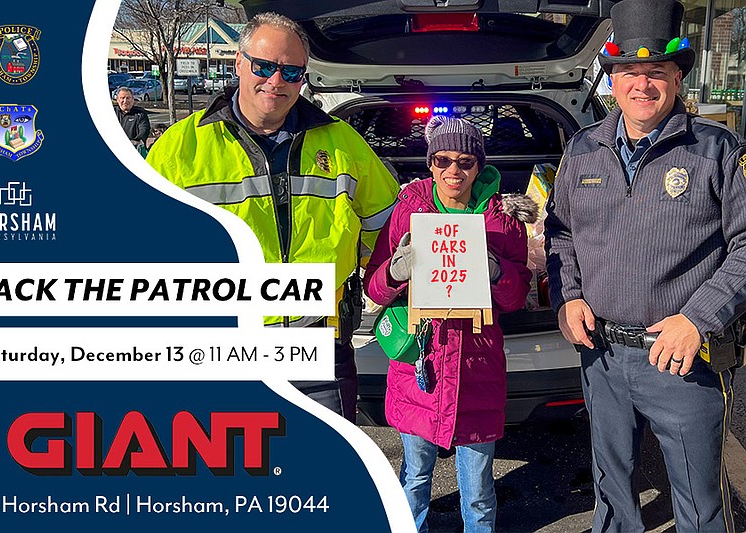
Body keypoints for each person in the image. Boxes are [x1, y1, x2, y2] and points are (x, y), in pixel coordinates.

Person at [544, 0, 746, 531]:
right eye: (628, 71)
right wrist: (568, 296)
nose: (642, 84)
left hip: (682, 359)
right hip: (602, 356)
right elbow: (560, 232)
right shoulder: (582, 148)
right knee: (611, 497)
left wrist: (697, 319)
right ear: (612, 80)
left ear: (677, 78)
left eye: (656, 71)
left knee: (700, 506)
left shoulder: (718, 150)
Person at [146, 12, 400, 422]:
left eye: (291, 72)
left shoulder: (342, 143)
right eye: (264, 67)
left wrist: (390, 283)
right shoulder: (178, 149)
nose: (276, 81)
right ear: (239, 63)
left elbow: (390, 228)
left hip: (318, 345)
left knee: (325, 459)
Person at [364, 116, 535, 532]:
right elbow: (374, 287)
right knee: (414, 477)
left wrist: (497, 271)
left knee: (477, 490)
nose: (452, 170)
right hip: (420, 365)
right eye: (442, 160)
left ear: (479, 166)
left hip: (477, 368)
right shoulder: (409, 210)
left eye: (465, 161)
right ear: (430, 163)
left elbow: (516, 298)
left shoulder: (501, 220)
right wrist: (395, 271)